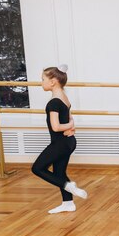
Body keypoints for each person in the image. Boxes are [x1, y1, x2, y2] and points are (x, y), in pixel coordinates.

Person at [31, 65, 87, 214]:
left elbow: (56, 127)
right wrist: (71, 125)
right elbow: (69, 118)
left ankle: (68, 186)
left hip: (60, 142)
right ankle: (68, 203)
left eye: (43, 79)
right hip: (68, 141)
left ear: (53, 81)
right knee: (59, 171)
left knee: (37, 168)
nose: (41, 82)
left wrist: (70, 125)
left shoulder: (53, 102)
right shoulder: (64, 97)